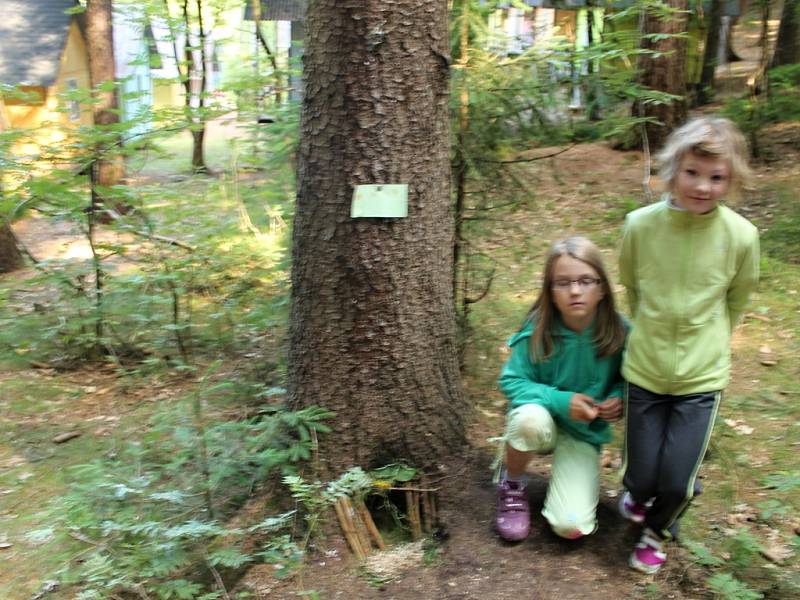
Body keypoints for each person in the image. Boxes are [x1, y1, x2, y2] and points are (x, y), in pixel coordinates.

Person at [618, 116, 760, 574]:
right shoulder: (639, 226)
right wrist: (650, 331)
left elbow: (737, 298)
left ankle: (658, 531)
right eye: (692, 173)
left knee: (678, 481)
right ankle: (639, 497)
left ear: (731, 180)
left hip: (701, 378)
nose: (703, 186)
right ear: (672, 168)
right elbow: (632, 287)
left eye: (717, 177)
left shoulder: (741, 236)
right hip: (645, 370)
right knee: (640, 477)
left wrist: (714, 338)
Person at [495, 235, 628, 542]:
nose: (575, 291)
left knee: (571, 525)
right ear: (551, 291)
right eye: (563, 283)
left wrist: (618, 397)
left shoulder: (620, 331)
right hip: (541, 422)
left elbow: (631, 377)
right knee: (528, 420)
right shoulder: (538, 329)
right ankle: (513, 484)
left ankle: (569, 486)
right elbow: (512, 380)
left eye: (585, 280)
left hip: (583, 432)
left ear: (603, 288)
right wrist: (559, 400)